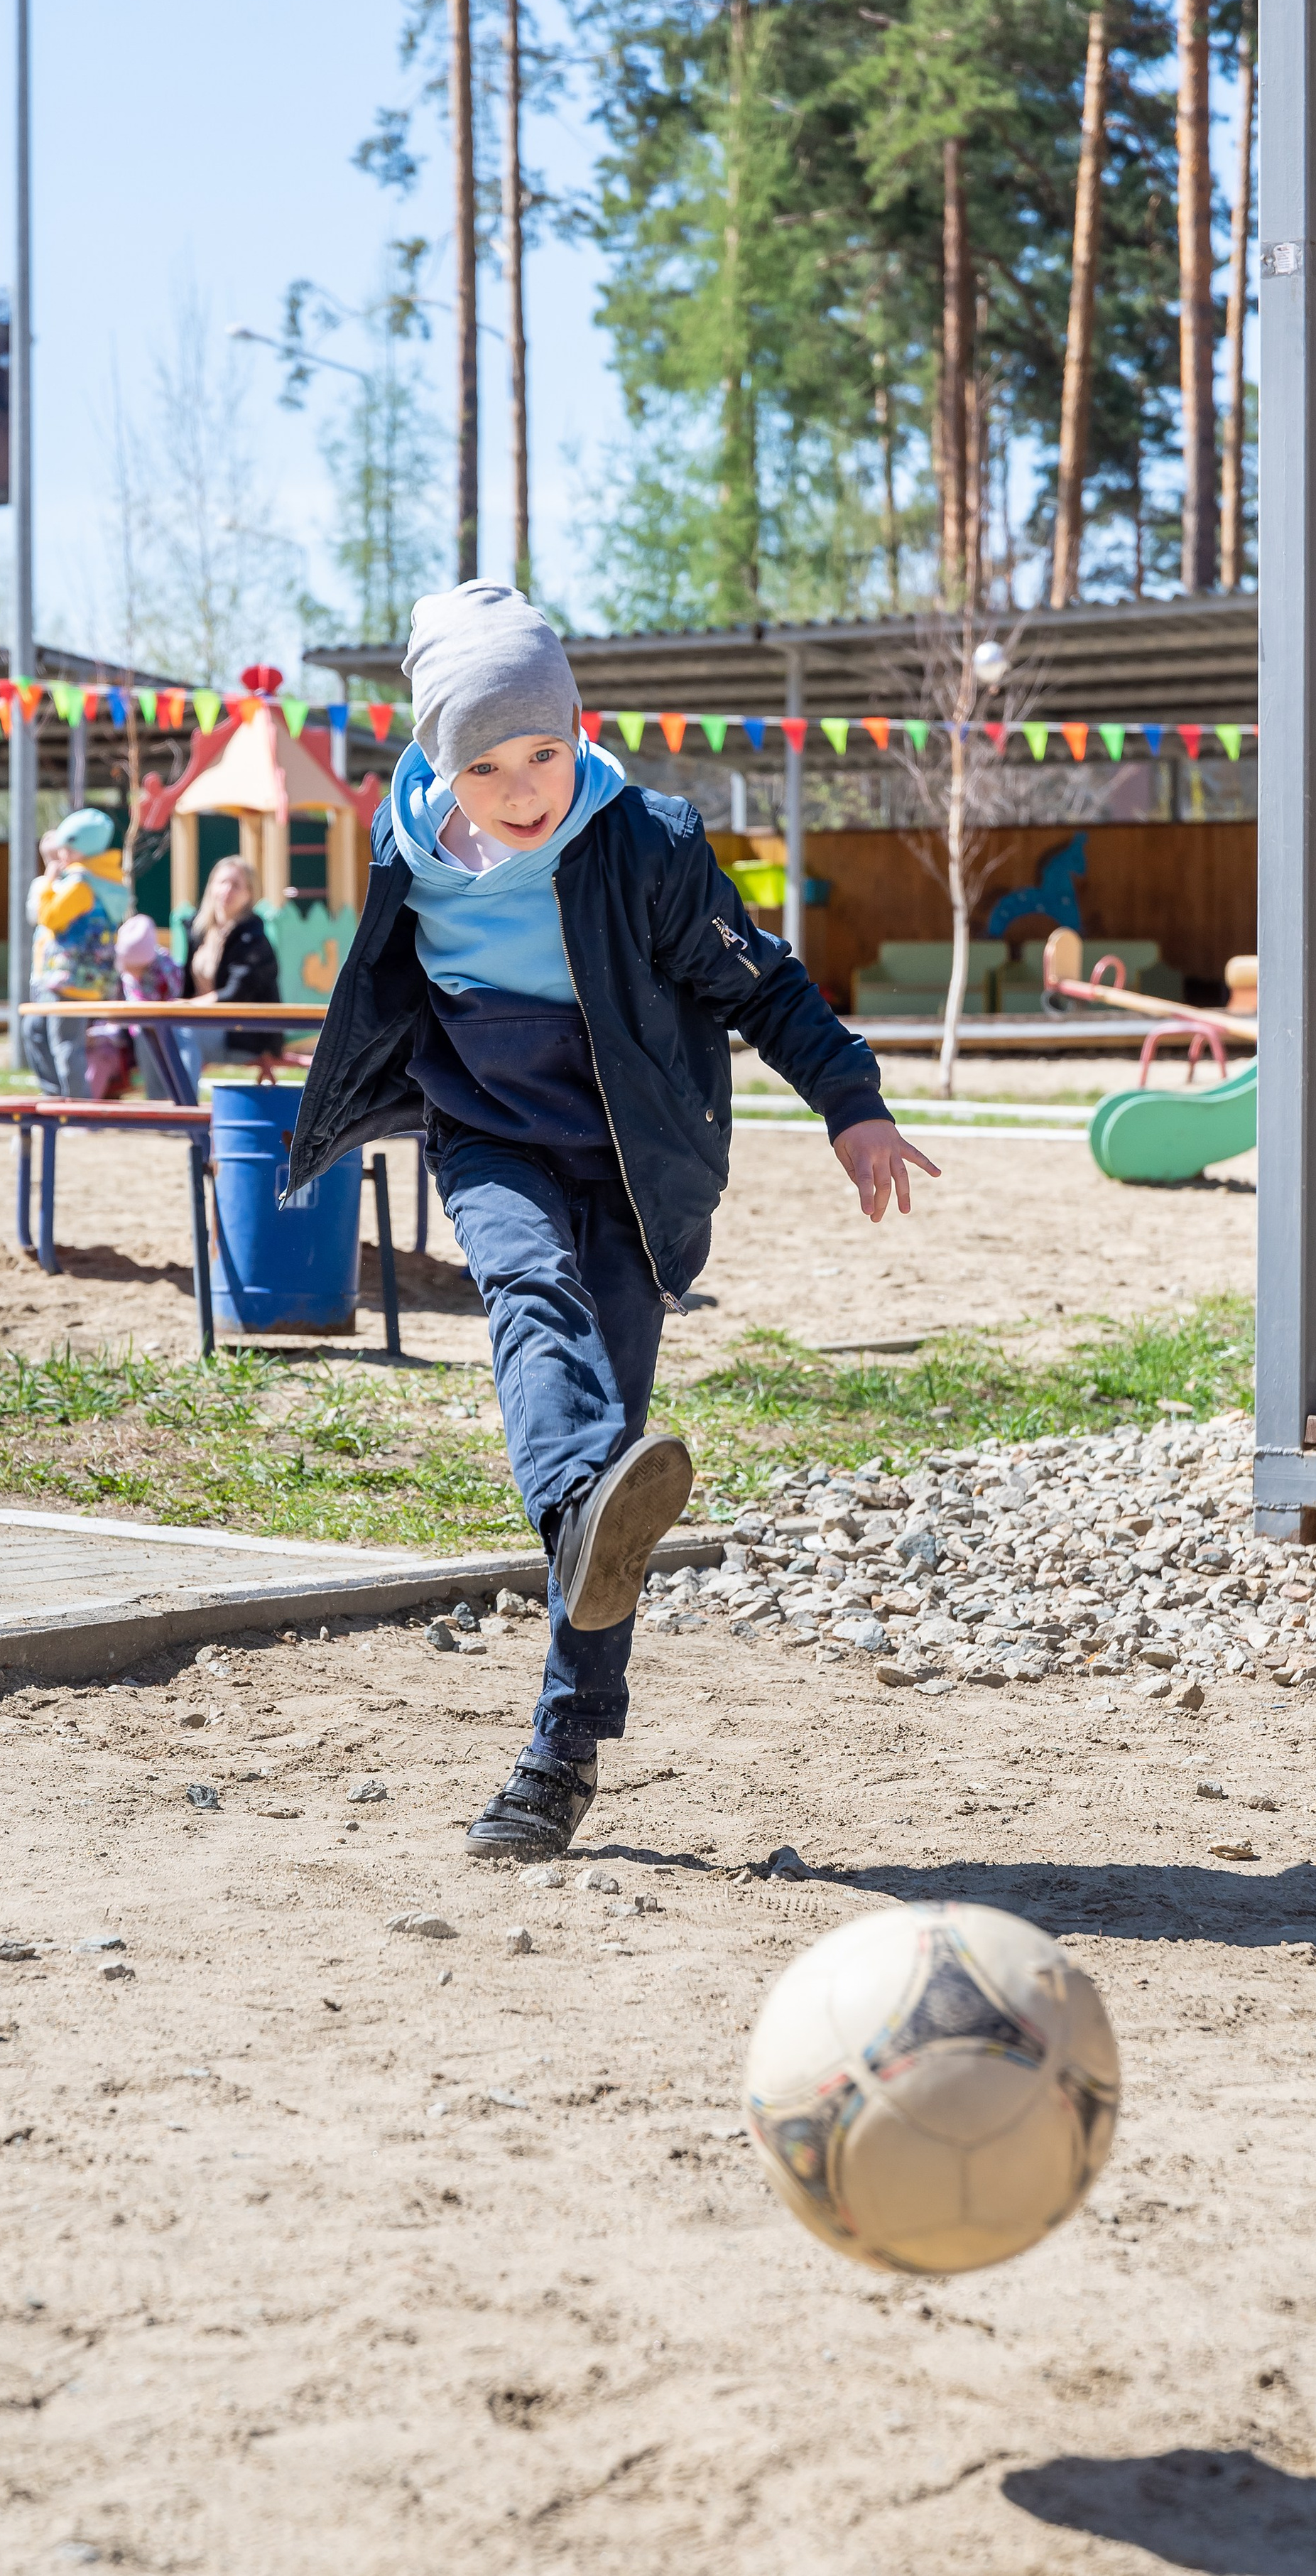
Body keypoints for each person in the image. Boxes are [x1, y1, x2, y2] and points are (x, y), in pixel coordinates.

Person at [286, 581, 937, 1862]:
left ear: (580, 728)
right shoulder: (407, 849)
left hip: (635, 1162)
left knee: (615, 1462)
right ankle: (577, 1524)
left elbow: (763, 984)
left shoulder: (645, 842)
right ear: (433, 761)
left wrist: (850, 1103)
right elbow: (376, 987)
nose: (524, 787)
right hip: (490, 1132)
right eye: (486, 763)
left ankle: (561, 1743)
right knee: (533, 1304)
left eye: (546, 750)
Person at [21, 808, 129, 1100]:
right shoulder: (104, 880)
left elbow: (49, 917)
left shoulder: (81, 884)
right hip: (85, 979)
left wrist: (47, 882)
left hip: (70, 979)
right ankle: (57, 1096)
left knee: (66, 1046)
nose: (62, 855)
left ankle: (78, 1109)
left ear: (84, 850)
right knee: (36, 1029)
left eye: (68, 849)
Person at [177, 855, 285, 1089]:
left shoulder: (254, 939)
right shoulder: (198, 931)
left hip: (243, 1032)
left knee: (182, 1032)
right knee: (152, 1032)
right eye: (222, 882)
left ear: (249, 894)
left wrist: (192, 1007)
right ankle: (163, 1108)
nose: (227, 890)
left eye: (236, 885)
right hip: (202, 1023)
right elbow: (186, 987)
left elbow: (237, 992)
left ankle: (185, 1117)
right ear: (211, 886)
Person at [110, 910, 186, 1100]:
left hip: (168, 1023)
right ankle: (156, 1099)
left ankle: (175, 1098)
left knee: (171, 1062)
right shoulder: (128, 970)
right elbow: (129, 996)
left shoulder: (165, 968)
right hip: (142, 1027)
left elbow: (175, 994)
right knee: (149, 1059)